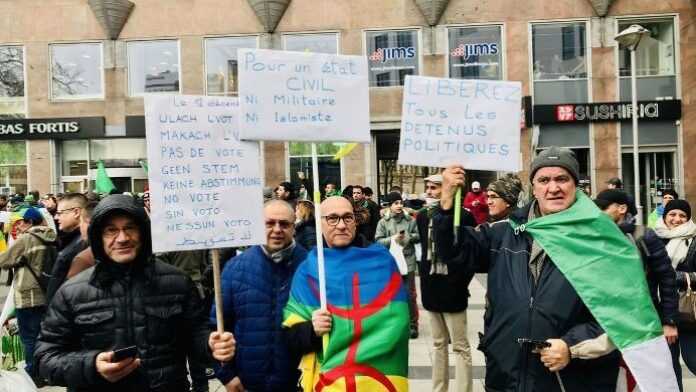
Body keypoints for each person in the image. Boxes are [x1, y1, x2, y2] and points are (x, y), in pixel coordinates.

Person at [434, 147, 620, 391]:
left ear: (576, 185)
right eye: (544, 180)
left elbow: (621, 316)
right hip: (506, 377)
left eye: (562, 179)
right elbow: (454, 253)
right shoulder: (503, 233)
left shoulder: (601, 241)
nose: (553, 188)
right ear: (533, 187)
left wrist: (571, 347)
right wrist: (446, 205)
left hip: (569, 380)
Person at [34, 195, 211, 391]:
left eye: (130, 228)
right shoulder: (71, 292)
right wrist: (92, 365)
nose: (122, 238)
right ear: (98, 237)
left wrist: (211, 344)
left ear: (143, 232)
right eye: (111, 230)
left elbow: (197, 338)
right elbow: (46, 358)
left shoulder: (177, 282)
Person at [283, 196, 409, 391]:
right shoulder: (310, 269)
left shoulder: (382, 262)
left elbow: (398, 321)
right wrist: (311, 330)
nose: (341, 225)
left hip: (378, 381)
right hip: (331, 382)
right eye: (333, 218)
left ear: (355, 222)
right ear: (320, 223)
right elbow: (290, 338)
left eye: (347, 218)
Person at [209, 200, 308, 391]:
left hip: (299, 382)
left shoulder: (312, 267)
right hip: (248, 384)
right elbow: (216, 328)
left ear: (294, 226)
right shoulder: (235, 268)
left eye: (284, 224)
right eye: (269, 223)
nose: (277, 229)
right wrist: (226, 375)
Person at [595, 189, 681, 389]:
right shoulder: (595, 238)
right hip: (607, 324)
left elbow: (667, 279)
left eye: (602, 208)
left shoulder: (644, 236)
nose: (597, 213)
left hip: (645, 323)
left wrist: (669, 321)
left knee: (654, 380)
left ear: (621, 209)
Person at [416, 174, 476, 392]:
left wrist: (460, 281)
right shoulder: (423, 216)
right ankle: (438, 388)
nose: (430, 191)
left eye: (435, 187)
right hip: (431, 285)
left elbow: (469, 257)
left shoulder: (465, 217)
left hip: (453, 288)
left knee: (460, 346)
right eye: (428, 187)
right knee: (439, 343)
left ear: (449, 189)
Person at [0, 207, 56, 384]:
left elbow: (4, 261)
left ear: (30, 222)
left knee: (29, 338)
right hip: (48, 294)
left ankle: (34, 375)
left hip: (28, 296)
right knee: (44, 336)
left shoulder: (27, 239)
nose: (20, 225)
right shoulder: (53, 237)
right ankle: (47, 371)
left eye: (23, 222)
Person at [654, 199, 696, 381]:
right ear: (664, 216)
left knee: (693, 360)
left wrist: (672, 276)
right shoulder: (653, 238)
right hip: (659, 312)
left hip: (688, 313)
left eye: (682, 215)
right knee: (668, 370)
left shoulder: (694, 240)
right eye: (672, 214)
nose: (677, 219)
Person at [375, 191, 420, 338]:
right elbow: (378, 241)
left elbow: (418, 236)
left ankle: (412, 325)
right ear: (390, 205)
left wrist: (407, 237)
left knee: (409, 294)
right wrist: (393, 239)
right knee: (392, 294)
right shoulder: (383, 222)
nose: (399, 205)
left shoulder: (410, 220)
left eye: (401, 202)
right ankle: (394, 323)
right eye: (396, 203)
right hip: (391, 262)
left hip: (408, 261)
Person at [46, 192, 88, 302]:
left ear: (76, 212)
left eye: (60, 213)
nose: (56, 217)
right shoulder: (71, 241)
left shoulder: (80, 246)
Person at [66, 201, 98, 279]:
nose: (80, 226)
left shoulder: (83, 259)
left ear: (88, 223)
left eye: (81, 222)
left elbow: (71, 289)